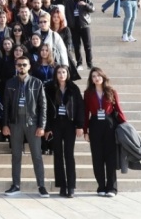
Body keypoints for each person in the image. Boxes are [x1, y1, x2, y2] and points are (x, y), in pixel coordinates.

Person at [1, 55, 48, 198]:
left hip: (32, 123)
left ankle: (41, 186)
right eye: (19, 64)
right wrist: (5, 124)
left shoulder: (37, 83)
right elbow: (6, 106)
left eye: (24, 65)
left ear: (29, 67)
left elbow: (43, 106)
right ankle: (15, 185)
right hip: (15, 123)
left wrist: (42, 125)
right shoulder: (10, 83)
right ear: (16, 66)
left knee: (37, 156)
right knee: (16, 155)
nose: (22, 67)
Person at [83, 67, 127, 197]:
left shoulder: (111, 91)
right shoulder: (88, 93)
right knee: (97, 157)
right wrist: (85, 130)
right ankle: (101, 186)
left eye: (98, 75)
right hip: (95, 123)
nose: (96, 78)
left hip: (109, 124)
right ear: (91, 79)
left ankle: (112, 188)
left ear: (103, 77)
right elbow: (86, 113)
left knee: (110, 158)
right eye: (93, 76)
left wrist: (125, 124)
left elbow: (118, 109)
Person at [44, 66, 84, 198]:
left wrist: (80, 125)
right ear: (55, 74)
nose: (61, 75)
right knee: (58, 155)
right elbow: (46, 109)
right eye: (59, 72)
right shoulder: (49, 88)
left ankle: (71, 186)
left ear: (68, 74)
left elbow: (79, 107)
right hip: (55, 124)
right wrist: (47, 128)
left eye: (64, 72)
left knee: (69, 155)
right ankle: (62, 185)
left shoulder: (73, 88)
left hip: (69, 124)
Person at [64, 0, 94, 70]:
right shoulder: (69, 2)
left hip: (84, 25)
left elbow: (93, 9)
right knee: (76, 46)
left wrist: (85, 5)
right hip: (74, 27)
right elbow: (67, 14)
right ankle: (79, 63)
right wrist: (69, 25)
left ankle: (89, 64)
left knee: (87, 46)